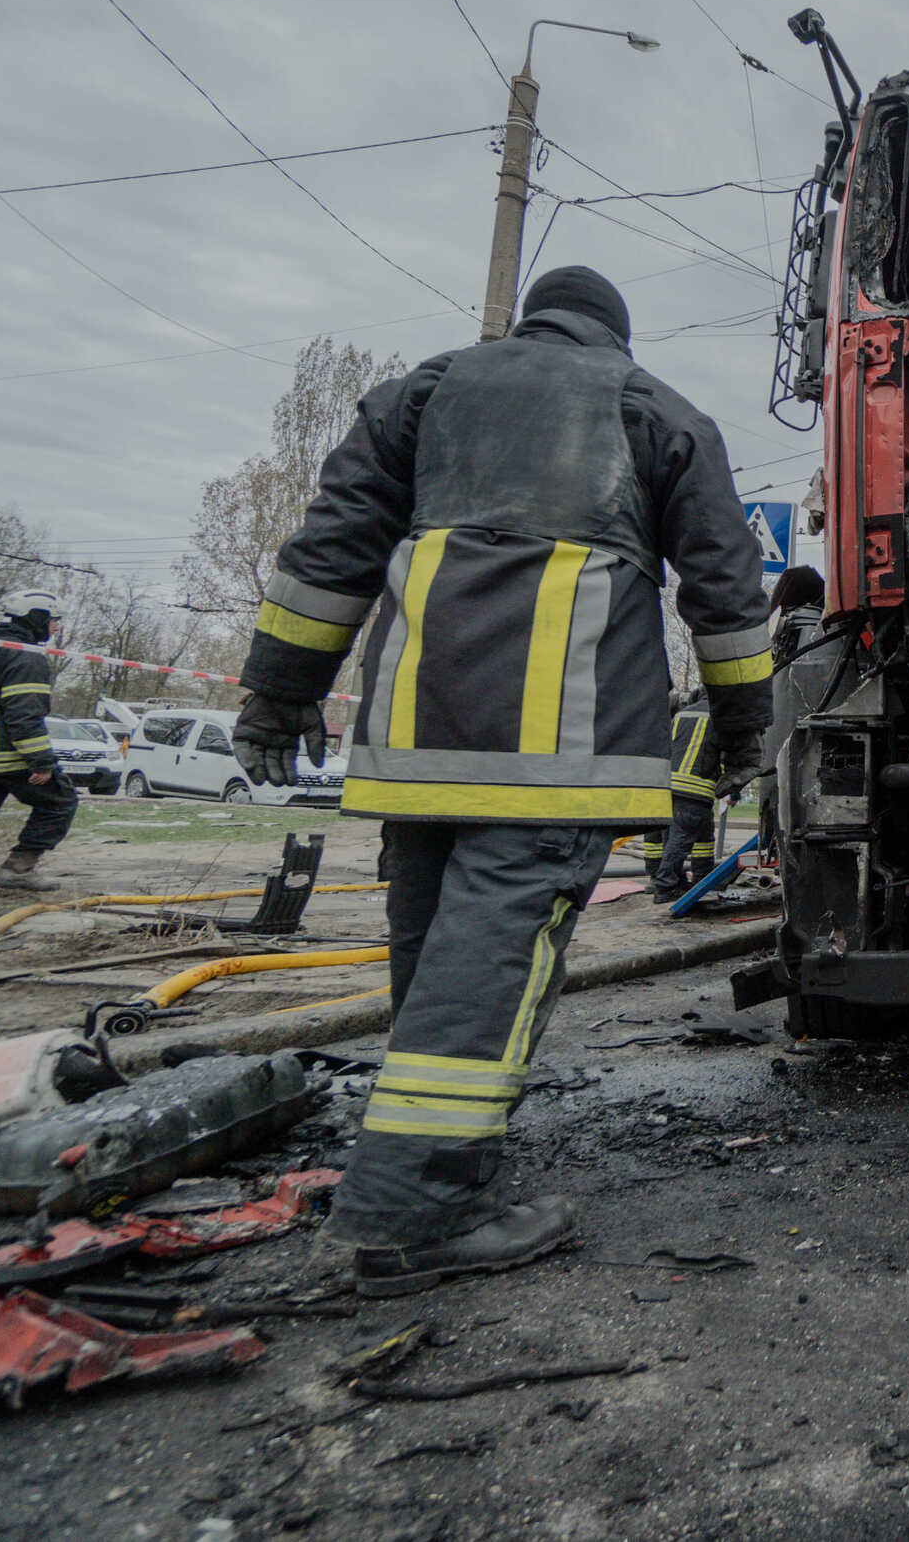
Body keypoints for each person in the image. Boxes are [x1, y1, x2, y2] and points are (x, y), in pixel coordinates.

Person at [231, 265, 771, 1297]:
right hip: (557, 748)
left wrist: (277, 692)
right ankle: (409, 1211)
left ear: (531, 320)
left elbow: (331, 544)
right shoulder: (654, 408)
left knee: (435, 952)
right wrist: (746, 726)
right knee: (489, 958)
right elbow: (725, 589)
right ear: (615, 333)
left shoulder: (425, 392)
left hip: (420, 732)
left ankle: (427, 1158)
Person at [0, 589, 80, 915]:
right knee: (60, 801)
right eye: (53, 621)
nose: (55, 628)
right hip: (1, 756)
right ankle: (17, 870)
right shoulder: (26, 656)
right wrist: (41, 761)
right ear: (35, 618)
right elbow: (24, 714)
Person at [650, 688, 721, 901]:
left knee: (670, 839)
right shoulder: (721, 719)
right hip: (695, 790)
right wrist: (731, 788)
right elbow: (730, 755)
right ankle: (665, 886)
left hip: (668, 786)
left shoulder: (681, 714)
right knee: (680, 841)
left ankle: (678, 883)